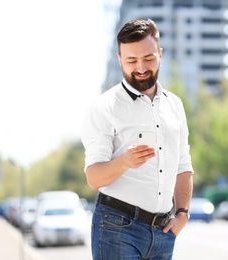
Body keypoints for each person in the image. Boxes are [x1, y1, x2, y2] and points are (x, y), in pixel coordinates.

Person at [81, 18, 194, 260]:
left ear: (160, 54)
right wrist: (124, 162)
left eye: (149, 59)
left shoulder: (175, 105)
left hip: (163, 232)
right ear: (120, 59)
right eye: (131, 60)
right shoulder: (103, 108)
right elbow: (93, 178)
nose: (141, 68)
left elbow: (183, 165)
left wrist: (183, 213)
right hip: (116, 228)